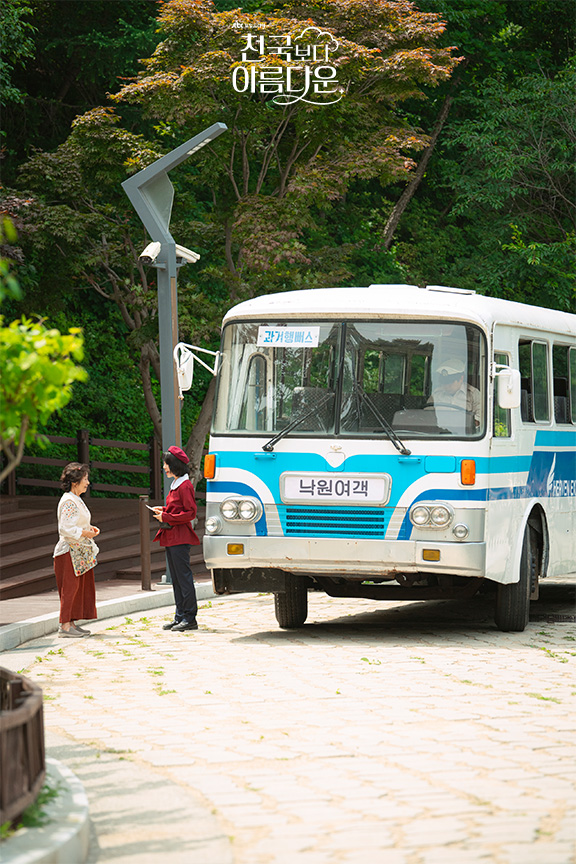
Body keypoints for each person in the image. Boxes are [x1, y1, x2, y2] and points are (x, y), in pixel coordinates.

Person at [152, 446, 200, 632]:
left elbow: (190, 513)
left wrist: (167, 517)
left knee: (183, 579)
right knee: (178, 580)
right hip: (173, 537)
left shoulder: (184, 485)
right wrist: (163, 511)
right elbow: (178, 510)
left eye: (166, 463)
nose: (164, 467)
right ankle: (180, 616)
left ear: (174, 465)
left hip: (179, 538)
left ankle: (189, 617)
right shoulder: (178, 483)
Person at [53, 463, 100, 638]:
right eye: (85, 479)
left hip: (77, 550)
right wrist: (84, 532)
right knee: (70, 588)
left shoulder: (75, 500)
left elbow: (75, 524)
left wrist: (88, 529)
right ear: (75, 482)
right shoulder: (69, 502)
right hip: (69, 551)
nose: (87, 483)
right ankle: (65, 626)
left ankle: (70, 623)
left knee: (77, 588)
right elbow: (65, 528)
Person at [428, 359, 481, 425]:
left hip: (465, 434)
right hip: (438, 433)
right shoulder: (436, 394)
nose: (447, 386)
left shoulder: (473, 394)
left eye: (450, 383)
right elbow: (427, 417)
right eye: (444, 383)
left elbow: (479, 420)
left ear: (461, 378)